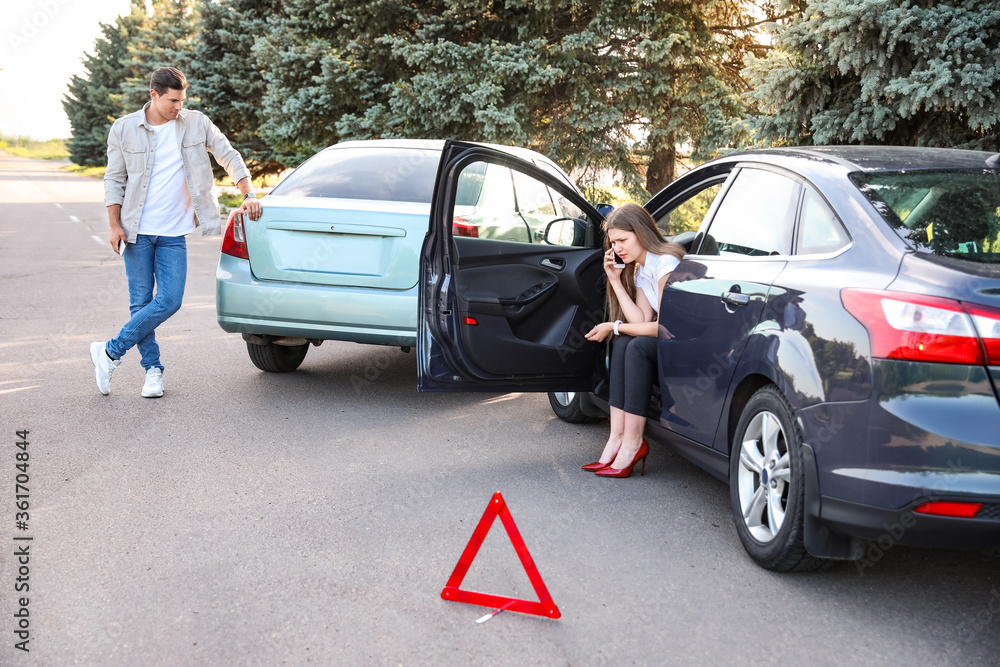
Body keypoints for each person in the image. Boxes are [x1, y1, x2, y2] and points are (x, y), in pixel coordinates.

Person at [91, 66, 262, 397]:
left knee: (169, 300)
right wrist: (114, 225)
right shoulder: (124, 129)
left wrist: (248, 193)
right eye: (172, 101)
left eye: (182, 100)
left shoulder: (196, 123)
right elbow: (114, 179)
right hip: (136, 232)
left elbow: (228, 155)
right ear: (153, 95)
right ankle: (152, 370)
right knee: (140, 303)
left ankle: (110, 350)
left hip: (172, 234)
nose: (178, 107)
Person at [582, 203, 685, 478]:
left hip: (683, 344)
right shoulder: (642, 268)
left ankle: (633, 442)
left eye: (623, 240)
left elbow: (665, 328)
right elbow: (640, 320)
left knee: (635, 344)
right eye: (613, 242)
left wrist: (612, 325)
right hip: (663, 339)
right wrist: (615, 280)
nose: (618, 248)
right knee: (624, 341)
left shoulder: (665, 263)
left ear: (641, 232)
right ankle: (615, 438)